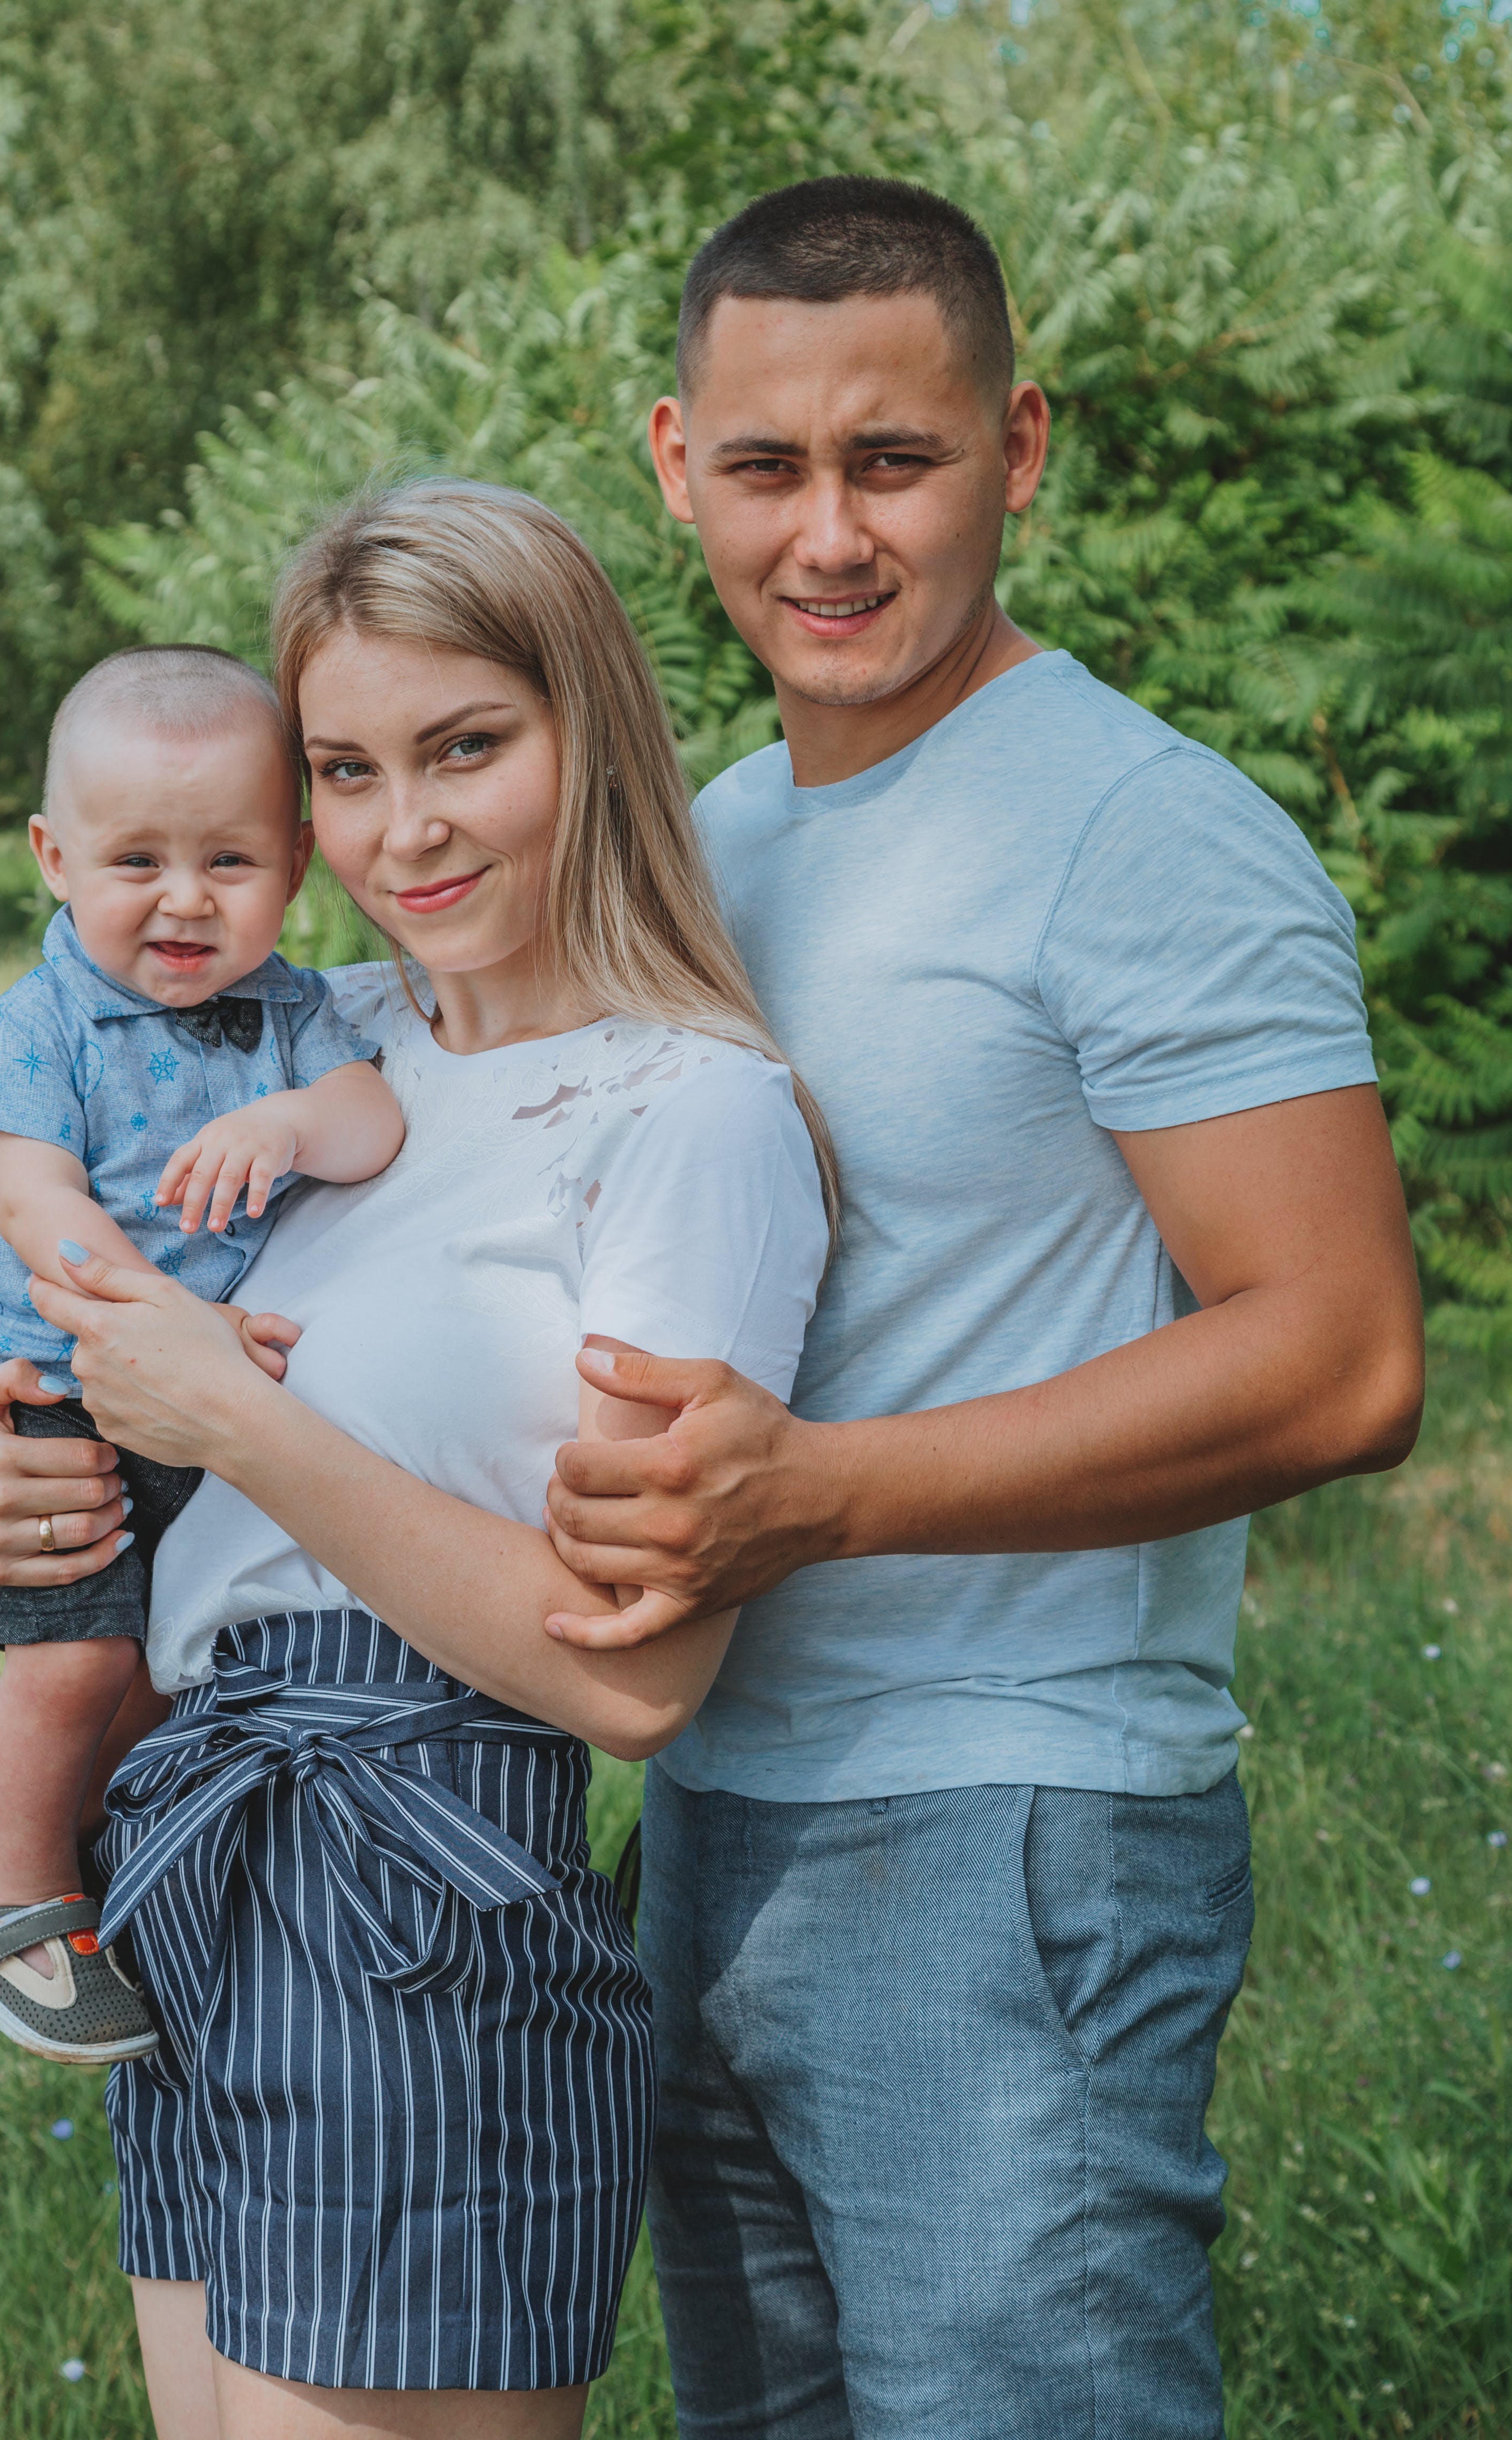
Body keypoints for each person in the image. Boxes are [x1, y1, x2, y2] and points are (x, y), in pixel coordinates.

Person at [540, 177, 1427, 2437]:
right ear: (673, 463)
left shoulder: (1143, 831)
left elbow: (1341, 1351)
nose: (826, 534)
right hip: (713, 1822)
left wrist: (822, 1496)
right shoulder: (712, 832)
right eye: (765, 467)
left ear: (1017, 446)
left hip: (1011, 1837)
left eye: (894, 460)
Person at [0, 480, 832, 2439]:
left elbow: (631, 1671)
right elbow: (79, 1307)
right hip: (194, 1830)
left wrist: (235, 1414)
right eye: (343, 768)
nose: (400, 829)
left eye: (467, 747)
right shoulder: (310, 1039)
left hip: (421, 1859)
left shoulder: (686, 1115)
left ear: (594, 736)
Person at [0, 643, 404, 2063]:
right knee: (73, 1665)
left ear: (296, 862)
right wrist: (177, 1325)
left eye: (230, 861)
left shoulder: (296, 1014)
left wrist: (288, 1125)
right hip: (55, 1382)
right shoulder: (34, 1029)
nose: (185, 901)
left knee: (158, 1655)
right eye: (136, 859)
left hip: (186, 1399)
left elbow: (370, 1122)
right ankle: (22, 1912)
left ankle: (21, 1847)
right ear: (52, 855)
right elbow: (42, 1216)